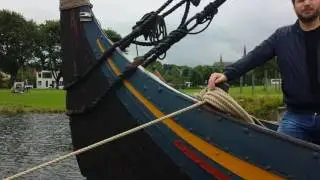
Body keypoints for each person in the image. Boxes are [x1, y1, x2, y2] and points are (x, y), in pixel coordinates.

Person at [207, 0, 320, 145]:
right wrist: (227, 74)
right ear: (293, 5)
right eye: (300, 0)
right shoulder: (282, 37)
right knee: (278, 157)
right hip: (296, 118)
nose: (307, 3)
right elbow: (255, 56)